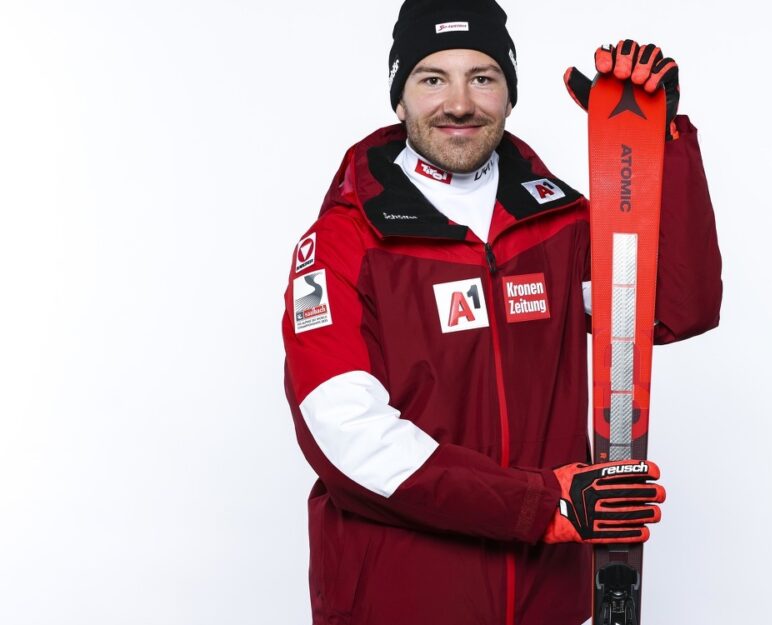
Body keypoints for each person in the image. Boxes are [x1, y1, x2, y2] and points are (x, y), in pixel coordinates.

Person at [281, 0, 722, 623]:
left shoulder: (557, 225)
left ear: (509, 94)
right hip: (401, 604)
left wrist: (661, 147)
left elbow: (674, 310)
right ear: (399, 98)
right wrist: (543, 506)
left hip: (548, 602)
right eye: (432, 78)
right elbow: (349, 438)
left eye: (482, 77)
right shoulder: (346, 242)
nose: (458, 103)